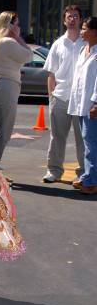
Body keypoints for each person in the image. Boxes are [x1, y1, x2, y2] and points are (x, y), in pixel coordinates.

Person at [0, 11, 32, 168]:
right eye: (17, 24)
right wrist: (18, 37)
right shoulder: (9, 42)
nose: (19, 28)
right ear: (9, 25)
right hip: (6, 86)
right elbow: (29, 56)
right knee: (3, 131)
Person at [42, 5, 85, 184]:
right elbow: (51, 74)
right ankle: (54, 171)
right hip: (60, 97)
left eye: (75, 16)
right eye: (69, 16)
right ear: (64, 20)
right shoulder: (58, 44)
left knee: (83, 140)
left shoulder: (88, 42)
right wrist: (51, 97)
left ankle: (84, 173)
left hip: (82, 99)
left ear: (81, 19)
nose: (72, 19)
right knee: (57, 137)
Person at [68, 17, 97, 195]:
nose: (81, 31)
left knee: (91, 145)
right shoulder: (82, 50)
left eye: (85, 28)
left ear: (94, 32)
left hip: (91, 106)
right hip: (80, 104)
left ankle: (91, 181)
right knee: (88, 143)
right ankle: (88, 177)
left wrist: (96, 103)